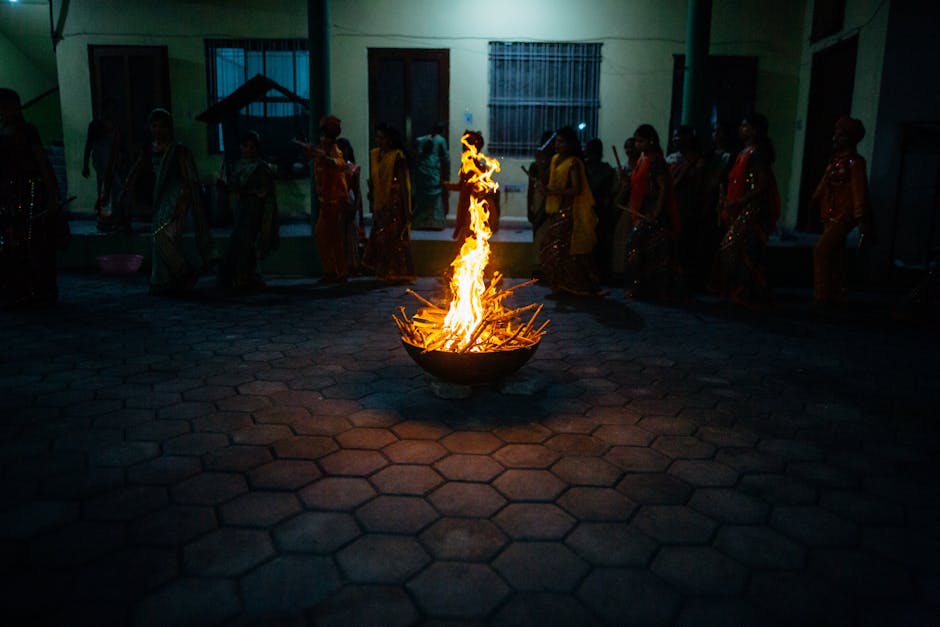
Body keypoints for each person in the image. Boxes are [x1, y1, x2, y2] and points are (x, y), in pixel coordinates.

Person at [121, 108, 211, 295]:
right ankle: (168, 280)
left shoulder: (178, 150)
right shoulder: (148, 149)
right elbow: (136, 170)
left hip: (176, 195)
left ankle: (182, 271)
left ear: (169, 128)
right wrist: (126, 189)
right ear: (149, 127)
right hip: (160, 195)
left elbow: (188, 180)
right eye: (154, 126)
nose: (158, 130)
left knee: (163, 234)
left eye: (162, 126)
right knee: (162, 237)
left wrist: (182, 204)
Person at [0, 88, 68, 308]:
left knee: (36, 242)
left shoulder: (28, 131)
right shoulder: (3, 132)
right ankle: (18, 291)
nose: (2, 112)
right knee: (13, 243)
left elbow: (42, 162)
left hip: (31, 191)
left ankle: (40, 291)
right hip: (10, 195)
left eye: (5, 107)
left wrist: (52, 196)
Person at [716, 112, 780, 307]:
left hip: (752, 209)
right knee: (737, 248)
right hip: (739, 208)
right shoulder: (744, 152)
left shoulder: (757, 154)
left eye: (745, 126)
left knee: (737, 247)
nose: (741, 129)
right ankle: (738, 291)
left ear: (754, 130)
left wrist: (741, 201)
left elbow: (762, 184)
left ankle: (747, 292)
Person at [811, 115, 873, 306]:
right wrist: (815, 199)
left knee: (821, 250)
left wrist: (860, 217)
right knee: (835, 255)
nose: (835, 139)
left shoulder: (855, 162)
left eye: (841, 135)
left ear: (851, 138)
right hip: (829, 212)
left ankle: (822, 296)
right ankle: (837, 294)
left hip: (843, 214)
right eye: (835, 134)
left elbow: (859, 190)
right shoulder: (835, 160)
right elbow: (824, 184)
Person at [537, 125, 601, 297]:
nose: (557, 145)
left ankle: (575, 285)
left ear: (570, 144)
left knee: (561, 248)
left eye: (562, 142)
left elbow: (576, 189)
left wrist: (552, 192)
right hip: (556, 211)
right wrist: (541, 164)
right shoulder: (554, 159)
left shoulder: (573, 162)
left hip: (570, 211)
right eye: (556, 141)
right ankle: (563, 284)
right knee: (556, 248)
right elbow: (548, 181)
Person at [623, 124, 682, 301]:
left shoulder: (656, 160)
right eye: (636, 141)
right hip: (642, 210)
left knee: (650, 250)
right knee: (639, 249)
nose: (637, 145)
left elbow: (663, 187)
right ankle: (641, 287)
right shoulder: (642, 159)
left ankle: (654, 289)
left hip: (653, 213)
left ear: (651, 141)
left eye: (641, 141)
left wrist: (656, 211)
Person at [217, 131, 279, 290]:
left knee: (246, 241)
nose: (249, 150)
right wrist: (225, 187)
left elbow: (265, 191)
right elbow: (233, 186)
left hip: (254, 209)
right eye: (245, 146)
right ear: (240, 147)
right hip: (240, 207)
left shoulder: (261, 167)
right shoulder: (238, 165)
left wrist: (246, 192)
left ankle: (246, 276)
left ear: (257, 148)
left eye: (252, 147)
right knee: (240, 241)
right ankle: (243, 276)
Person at [363, 123, 415, 283]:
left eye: (382, 138)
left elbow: (404, 185)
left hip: (395, 203)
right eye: (377, 137)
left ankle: (397, 273)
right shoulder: (375, 155)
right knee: (380, 236)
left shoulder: (397, 157)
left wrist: (407, 209)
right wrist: (372, 194)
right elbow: (375, 179)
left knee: (394, 238)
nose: (379, 140)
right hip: (380, 202)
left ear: (391, 140)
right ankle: (383, 272)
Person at [307, 115, 351, 283]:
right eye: (323, 136)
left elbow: (339, 164)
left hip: (335, 203)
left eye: (327, 136)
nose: (324, 139)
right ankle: (334, 271)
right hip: (326, 203)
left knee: (332, 238)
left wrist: (324, 158)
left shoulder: (334, 151)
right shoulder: (322, 152)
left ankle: (338, 272)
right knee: (325, 237)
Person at [668, 125, 707, 285]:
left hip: (689, 206)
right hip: (673, 204)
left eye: (678, 136)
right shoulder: (671, 158)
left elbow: (699, 184)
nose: (675, 139)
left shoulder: (698, 160)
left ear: (688, 138)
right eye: (674, 136)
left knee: (685, 242)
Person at [82, 97, 127, 232]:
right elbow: (88, 145)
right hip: (101, 159)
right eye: (110, 109)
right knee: (112, 187)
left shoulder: (114, 126)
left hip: (111, 160)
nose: (112, 111)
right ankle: (109, 216)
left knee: (112, 187)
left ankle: (112, 216)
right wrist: (85, 165)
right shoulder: (96, 125)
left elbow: (117, 147)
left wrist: (119, 160)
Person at [448, 130, 500, 242]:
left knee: (469, 241)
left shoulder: (471, 165)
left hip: (473, 209)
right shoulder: (474, 164)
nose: (463, 148)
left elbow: (465, 188)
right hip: (475, 208)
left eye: (465, 145)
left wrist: (446, 186)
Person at [584, 137, 618, 283]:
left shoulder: (604, 170)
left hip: (598, 211)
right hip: (594, 211)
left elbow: (609, 192)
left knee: (596, 244)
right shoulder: (589, 168)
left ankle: (595, 275)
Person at [525, 130, 555, 276]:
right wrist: (528, 208)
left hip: (551, 202)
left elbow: (547, 182)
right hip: (538, 203)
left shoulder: (555, 163)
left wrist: (541, 164)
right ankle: (538, 268)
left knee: (549, 235)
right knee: (538, 235)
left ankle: (548, 268)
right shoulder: (534, 166)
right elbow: (530, 189)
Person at [610, 136, 640, 277]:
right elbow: (615, 192)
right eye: (627, 147)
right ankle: (621, 272)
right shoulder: (621, 169)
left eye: (632, 147)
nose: (629, 150)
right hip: (623, 209)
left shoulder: (641, 167)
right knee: (621, 239)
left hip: (637, 208)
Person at [412, 123, 450, 230]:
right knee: (435, 197)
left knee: (422, 198)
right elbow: (446, 158)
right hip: (433, 172)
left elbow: (415, 156)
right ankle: (435, 223)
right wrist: (446, 175)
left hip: (421, 173)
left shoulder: (420, 140)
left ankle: (420, 223)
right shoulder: (441, 140)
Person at [337, 137, 364, 275]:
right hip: (338, 200)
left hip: (350, 200)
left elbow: (357, 190)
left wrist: (356, 207)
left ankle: (351, 266)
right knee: (340, 234)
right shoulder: (336, 166)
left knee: (351, 234)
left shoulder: (353, 167)